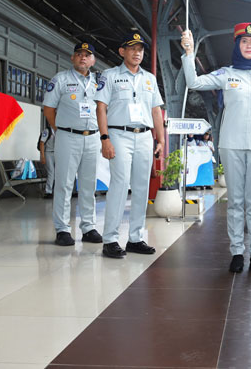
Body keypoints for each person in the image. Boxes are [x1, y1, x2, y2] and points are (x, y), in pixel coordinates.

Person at [180, 23, 251, 274]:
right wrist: (189, 53)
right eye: (244, 41)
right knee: (236, 201)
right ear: (237, 45)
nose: (249, 46)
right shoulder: (226, 74)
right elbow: (193, 82)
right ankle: (237, 252)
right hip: (232, 144)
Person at [95, 31, 165, 259]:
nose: (138, 53)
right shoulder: (110, 75)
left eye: (141, 49)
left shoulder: (149, 78)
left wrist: (161, 139)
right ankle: (111, 239)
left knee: (142, 187)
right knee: (120, 184)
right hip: (119, 134)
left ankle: (135, 238)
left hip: (145, 136)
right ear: (122, 51)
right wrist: (105, 138)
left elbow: (156, 110)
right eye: (133, 48)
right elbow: (101, 108)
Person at [42, 42, 103, 246]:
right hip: (68, 136)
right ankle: (62, 229)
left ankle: (88, 227)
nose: (83, 58)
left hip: (92, 137)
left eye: (87, 55)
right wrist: (60, 129)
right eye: (79, 54)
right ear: (72, 58)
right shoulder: (60, 80)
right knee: (64, 184)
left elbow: (104, 110)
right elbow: (49, 108)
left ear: (93, 60)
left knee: (88, 185)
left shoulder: (99, 82)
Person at [38, 122, 55, 198]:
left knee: (58, 173)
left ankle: (55, 191)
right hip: (48, 153)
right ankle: (48, 191)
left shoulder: (59, 131)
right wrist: (43, 156)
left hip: (57, 153)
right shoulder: (47, 131)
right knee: (51, 172)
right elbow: (41, 143)